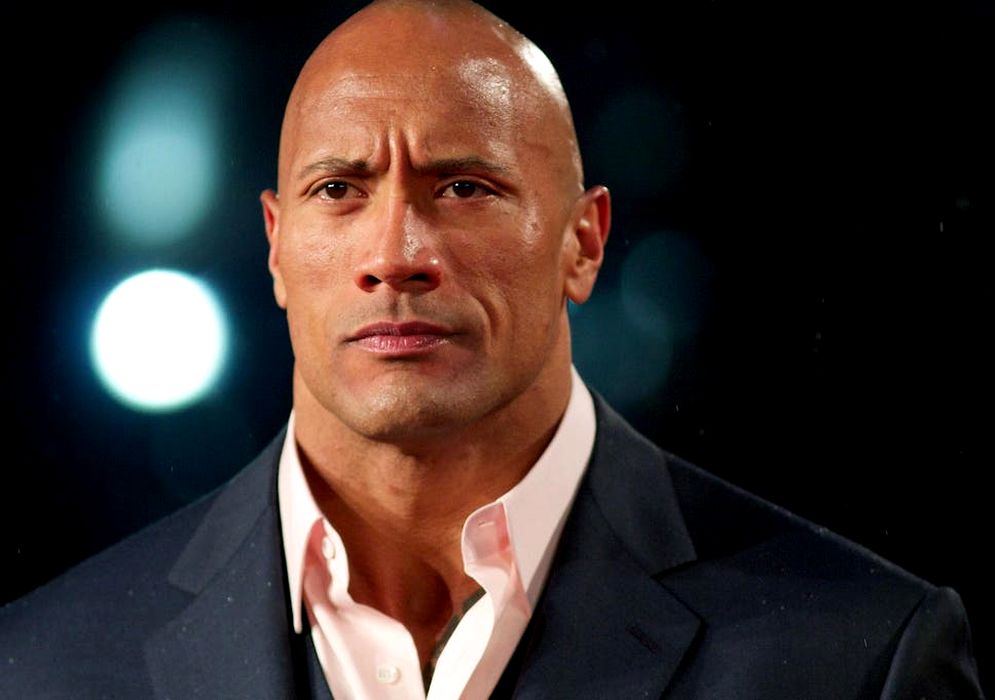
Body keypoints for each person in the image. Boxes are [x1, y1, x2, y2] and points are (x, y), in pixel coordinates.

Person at [0, 1, 984, 698]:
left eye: (463, 187)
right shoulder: (42, 666)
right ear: (275, 246)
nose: (395, 254)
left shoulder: (858, 655)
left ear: (583, 243)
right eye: (339, 189)